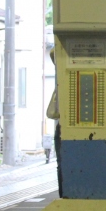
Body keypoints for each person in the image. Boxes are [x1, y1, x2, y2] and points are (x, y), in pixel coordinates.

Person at [45, 49, 62, 197]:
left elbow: (53, 53)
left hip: (63, 128)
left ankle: (64, 193)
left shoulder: (63, 74)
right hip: (63, 127)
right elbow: (53, 52)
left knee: (62, 164)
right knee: (61, 164)